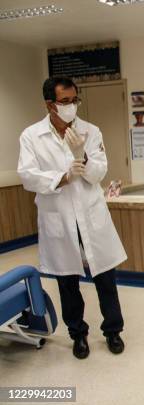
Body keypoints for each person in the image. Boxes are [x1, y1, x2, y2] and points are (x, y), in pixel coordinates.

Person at [17, 77, 127, 359]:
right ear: (49, 104)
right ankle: (78, 334)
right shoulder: (31, 136)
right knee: (67, 281)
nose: (71, 107)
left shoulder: (91, 131)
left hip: (90, 214)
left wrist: (83, 158)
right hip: (60, 217)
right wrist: (62, 177)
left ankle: (113, 330)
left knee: (105, 276)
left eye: (74, 100)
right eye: (64, 102)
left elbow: (99, 172)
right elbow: (27, 176)